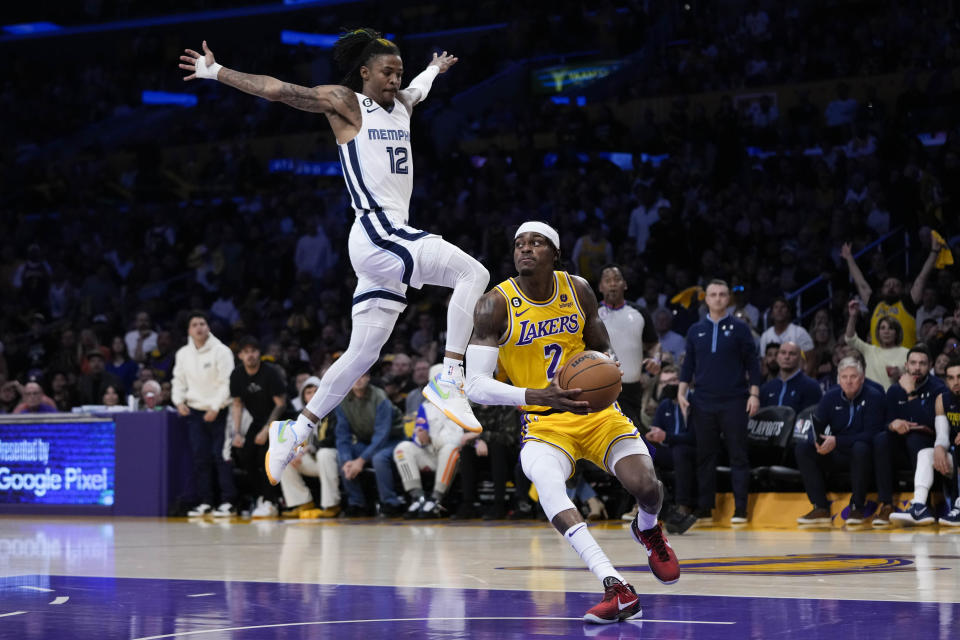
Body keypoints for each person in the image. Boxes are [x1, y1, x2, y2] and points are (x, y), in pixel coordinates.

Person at [178, 29, 490, 485]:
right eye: (387, 72)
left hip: (380, 244)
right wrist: (217, 71)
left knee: (363, 353)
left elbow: (421, 86)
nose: (394, 79)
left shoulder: (403, 102)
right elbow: (279, 91)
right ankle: (451, 376)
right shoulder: (345, 103)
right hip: (377, 230)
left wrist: (433, 69)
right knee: (473, 271)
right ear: (365, 73)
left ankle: (297, 427)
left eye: (399, 72)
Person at [464, 221, 679, 625]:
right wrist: (535, 395)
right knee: (546, 483)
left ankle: (647, 529)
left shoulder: (577, 289)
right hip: (544, 422)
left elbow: (600, 345)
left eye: (537, 243)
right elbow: (474, 385)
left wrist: (607, 366)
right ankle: (615, 585)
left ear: (555, 254)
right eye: (519, 244)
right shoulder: (494, 304)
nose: (525, 249)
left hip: (595, 413)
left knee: (648, 488)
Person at [678, 279, 762, 524]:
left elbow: (752, 364)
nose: (717, 298)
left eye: (722, 294)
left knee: (738, 455)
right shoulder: (695, 330)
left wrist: (754, 394)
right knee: (705, 456)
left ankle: (741, 509)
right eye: (713, 294)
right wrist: (681, 393)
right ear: (706, 298)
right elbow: (688, 366)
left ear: (729, 298)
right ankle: (705, 509)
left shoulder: (740, 328)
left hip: (735, 399)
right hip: (703, 400)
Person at [795, 357, 885, 526]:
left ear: (862, 378)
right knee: (803, 448)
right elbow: (816, 425)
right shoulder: (830, 397)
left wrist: (838, 441)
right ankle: (820, 507)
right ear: (838, 379)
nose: (849, 381)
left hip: (864, 456)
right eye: (844, 377)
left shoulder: (874, 396)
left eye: (853, 376)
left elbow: (872, 434)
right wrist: (815, 441)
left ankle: (857, 507)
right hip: (837, 453)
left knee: (860, 447)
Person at [172, 311, 238, 518]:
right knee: (200, 457)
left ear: (208, 327)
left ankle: (228, 501)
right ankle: (206, 501)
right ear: (189, 330)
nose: (199, 327)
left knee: (222, 456)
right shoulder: (182, 354)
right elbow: (178, 380)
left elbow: (228, 382)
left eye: (202, 323)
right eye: (194, 325)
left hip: (220, 411)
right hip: (195, 411)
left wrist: (216, 407)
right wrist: (179, 401)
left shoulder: (221, 351)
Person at [880, 346, 946, 526]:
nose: (917, 368)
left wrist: (911, 393)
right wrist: (893, 425)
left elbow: (931, 424)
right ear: (906, 365)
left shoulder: (938, 389)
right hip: (901, 448)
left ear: (930, 366)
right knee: (881, 440)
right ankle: (886, 504)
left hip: (929, 447)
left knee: (915, 439)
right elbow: (885, 422)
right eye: (913, 363)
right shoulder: (894, 390)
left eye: (922, 364)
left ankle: (923, 505)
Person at [840, 236, 943, 349]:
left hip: (904, 361)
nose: (891, 287)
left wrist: (934, 252)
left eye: (896, 285)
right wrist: (849, 258)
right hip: (879, 362)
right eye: (887, 285)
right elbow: (861, 284)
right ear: (882, 290)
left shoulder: (908, 303)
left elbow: (921, 279)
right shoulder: (875, 304)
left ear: (903, 290)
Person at [596, 264, 661, 428]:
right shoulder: (591, 314)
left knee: (633, 437)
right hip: (601, 388)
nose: (612, 284)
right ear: (600, 287)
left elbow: (653, 344)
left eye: (616, 280)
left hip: (633, 389)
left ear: (624, 284)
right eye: (607, 280)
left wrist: (656, 358)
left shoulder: (640, 312)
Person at [393, 372, 465, 518]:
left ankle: (436, 499)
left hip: (451, 458)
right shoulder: (425, 406)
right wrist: (422, 439)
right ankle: (418, 497)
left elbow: (458, 438)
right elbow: (417, 436)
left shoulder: (459, 405)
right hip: (429, 453)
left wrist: (431, 441)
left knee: (450, 449)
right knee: (402, 448)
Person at [333, 372, 405, 516]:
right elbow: (342, 436)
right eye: (354, 375)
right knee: (343, 457)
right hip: (366, 442)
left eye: (362, 375)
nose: (358, 379)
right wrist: (348, 460)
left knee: (379, 458)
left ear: (368, 377)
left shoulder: (380, 398)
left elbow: (381, 436)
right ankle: (357, 503)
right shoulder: (342, 401)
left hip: (392, 440)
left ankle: (390, 503)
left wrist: (360, 460)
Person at [230, 336, 286, 518]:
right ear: (240, 355)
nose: (250, 355)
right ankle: (260, 496)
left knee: (265, 456)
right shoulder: (237, 375)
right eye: (246, 352)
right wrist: (237, 432)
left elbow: (281, 404)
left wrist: (266, 430)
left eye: (253, 351)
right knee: (245, 455)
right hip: (257, 420)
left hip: (279, 421)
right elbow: (237, 404)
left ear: (259, 353)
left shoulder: (270, 373)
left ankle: (271, 501)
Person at [643, 371, 698, 535]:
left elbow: (696, 437)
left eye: (674, 380)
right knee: (644, 451)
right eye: (664, 382)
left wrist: (668, 437)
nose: (669, 385)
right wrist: (651, 436)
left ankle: (682, 507)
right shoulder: (664, 405)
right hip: (669, 451)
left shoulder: (694, 402)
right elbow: (656, 430)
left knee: (680, 451)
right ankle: (657, 504)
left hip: (692, 450)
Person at [280, 377, 342, 518]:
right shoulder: (299, 417)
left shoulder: (334, 412)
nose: (313, 395)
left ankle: (332, 505)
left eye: (316, 391)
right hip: (312, 463)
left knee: (324, 454)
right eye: (308, 392)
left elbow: (333, 439)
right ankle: (303, 502)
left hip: (332, 461)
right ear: (303, 397)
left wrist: (311, 448)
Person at [844, 298, 909, 389]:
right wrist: (853, 316)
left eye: (891, 328)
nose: (886, 331)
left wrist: (900, 373)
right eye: (882, 328)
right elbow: (850, 339)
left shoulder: (907, 353)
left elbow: (916, 377)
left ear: (897, 333)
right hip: (872, 399)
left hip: (895, 398)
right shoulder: (869, 350)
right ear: (878, 332)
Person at [758, 341, 823, 413]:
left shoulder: (811, 386)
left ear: (799, 359)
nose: (787, 357)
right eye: (783, 353)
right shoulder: (766, 388)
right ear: (777, 357)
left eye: (792, 354)